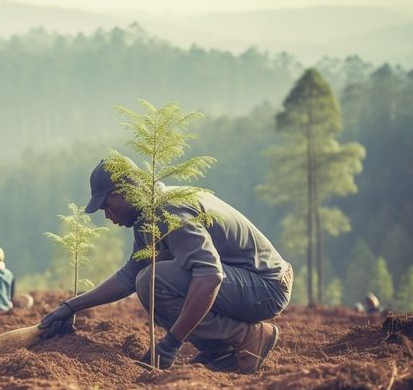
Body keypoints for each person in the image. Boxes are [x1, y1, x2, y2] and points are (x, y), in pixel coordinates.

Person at [39, 160, 294, 374]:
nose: (107, 215)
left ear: (123, 193)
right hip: (245, 284)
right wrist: (71, 306)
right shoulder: (145, 218)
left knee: (153, 280)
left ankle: (248, 337)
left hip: (266, 287)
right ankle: (221, 352)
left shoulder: (167, 210)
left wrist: (170, 344)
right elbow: (129, 275)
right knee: (145, 278)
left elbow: (209, 276)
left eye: (107, 205)